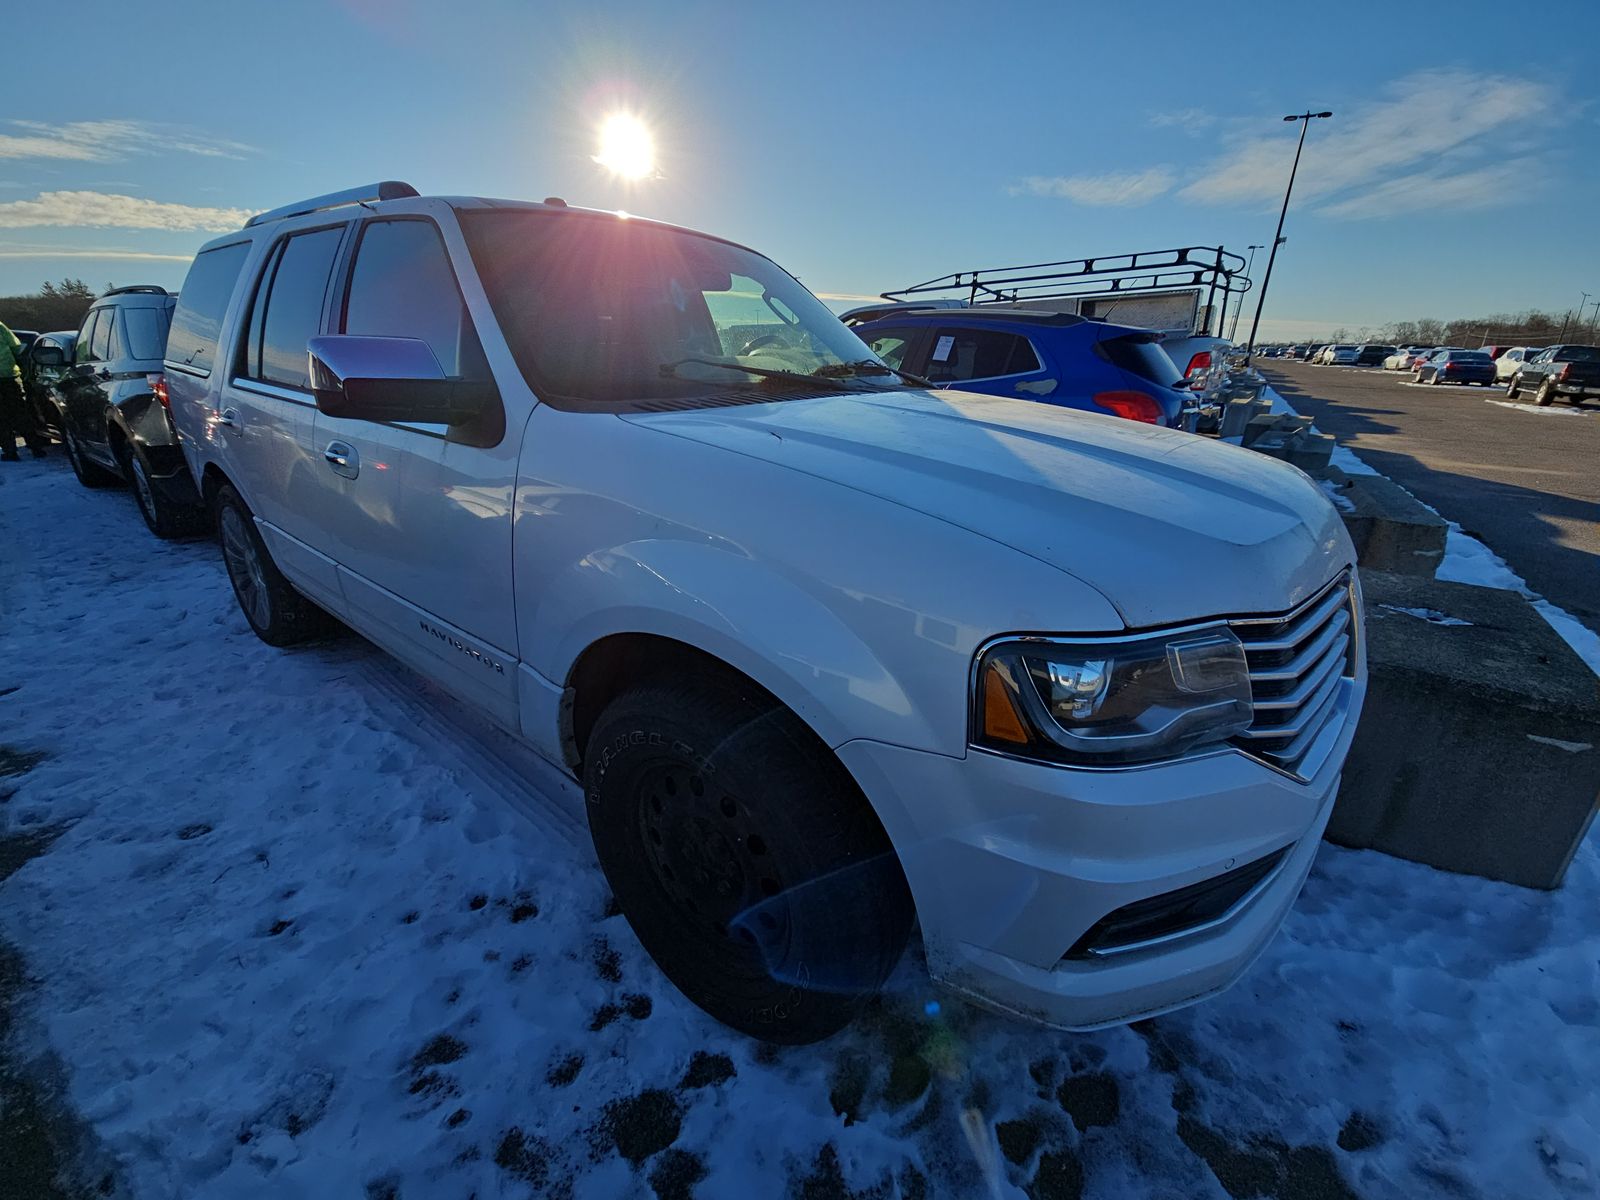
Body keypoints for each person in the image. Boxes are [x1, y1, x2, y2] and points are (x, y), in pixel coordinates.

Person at [0, 319, 46, 460]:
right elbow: (16, 346)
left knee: (2, 418)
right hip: (9, 376)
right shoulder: (0, 327)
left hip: (8, 376)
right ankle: (35, 447)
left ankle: (10, 452)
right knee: (20, 413)